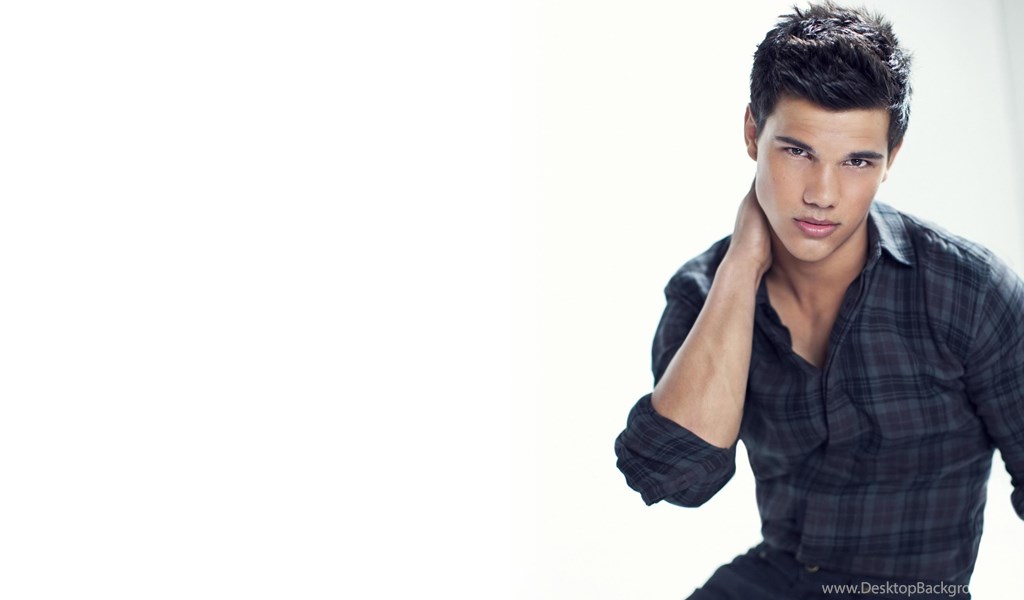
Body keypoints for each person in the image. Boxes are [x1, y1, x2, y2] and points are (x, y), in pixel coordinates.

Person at [613, 2, 1024, 599]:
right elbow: (678, 477)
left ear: (891, 159)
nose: (822, 194)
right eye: (798, 151)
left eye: (857, 161)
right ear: (752, 132)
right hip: (774, 579)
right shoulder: (705, 292)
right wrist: (742, 264)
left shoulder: (969, 292)